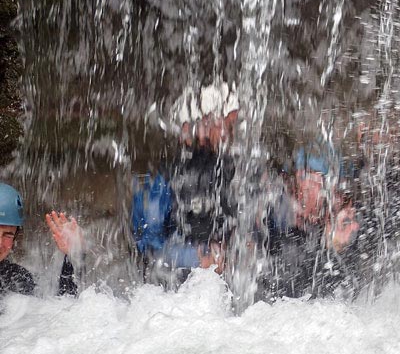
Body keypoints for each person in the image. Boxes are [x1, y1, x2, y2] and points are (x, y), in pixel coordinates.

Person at [131, 81, 239, 286]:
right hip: (173, 292)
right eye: (223, 124)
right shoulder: (164, 178)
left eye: (231, 126)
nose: (228, 133)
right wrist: (197, 260)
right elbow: (147, 249)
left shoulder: (226, 168)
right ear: (195, 127)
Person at [260, 138, 363, 299]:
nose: (333, 195)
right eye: (324, 184)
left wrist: (332, 246)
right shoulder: (276, 214)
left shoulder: (338, 217)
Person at [0, 182, 78, 297]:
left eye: (8, 235)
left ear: (16, 237)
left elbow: (63, 310)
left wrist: (72, 256)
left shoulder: (17, 279)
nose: (0, 243)